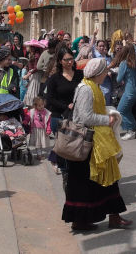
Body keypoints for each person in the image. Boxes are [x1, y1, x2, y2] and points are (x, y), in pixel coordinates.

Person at [62, 58, 131, 231]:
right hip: (89, 141)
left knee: (104, 180)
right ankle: (83, 220)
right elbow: (85, 117)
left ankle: (106, 217)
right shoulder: (86, 89)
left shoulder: (91, 86)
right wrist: (107, 119)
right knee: (90, 183)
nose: (106, 74)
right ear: (98, 73)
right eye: (104, 71)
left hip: (96, 139)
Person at [44, 48, 84, 176]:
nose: (69, 62)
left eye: (71, 59)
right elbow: (49, 99)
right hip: (59, 115)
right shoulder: (54, 79)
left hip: (78, 114)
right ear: (60, 61)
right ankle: (64, 168)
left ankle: (65, 165)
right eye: (66, 60)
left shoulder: (80, 75)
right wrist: (67, 106)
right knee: (64, 143)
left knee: (75, 143)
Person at [110, 44, 136, 140]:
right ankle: (134, 129)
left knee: (120, 111)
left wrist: (113, 72)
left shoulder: (124, 63)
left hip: (129, 90)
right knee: (127, 110)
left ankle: (130, 130)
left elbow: (119, 79)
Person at [22, 40, 45, 108]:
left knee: (33, 94)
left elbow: (36, 68)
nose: (27, 47)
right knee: (30, 93)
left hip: (36, 75)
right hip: (33, 75)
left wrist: (28, 74)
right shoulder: (33, 54)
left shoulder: (37, 55)